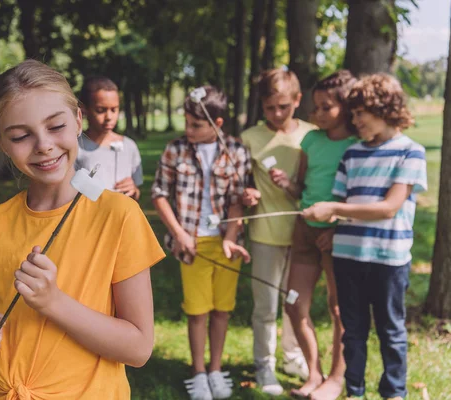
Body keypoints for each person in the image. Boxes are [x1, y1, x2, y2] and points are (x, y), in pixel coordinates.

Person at [0, 60, 165, 399]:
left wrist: (53, 302)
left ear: (78, 119)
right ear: (1, 143)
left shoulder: (119, 215)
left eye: (55, 126)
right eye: (21, 136)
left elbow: (138, 348)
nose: (43, 145)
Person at [303, 74, 427, 400]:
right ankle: (354, 392)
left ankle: (394, 393)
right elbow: (343, 205)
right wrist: (329, 219)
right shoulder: (352, 155)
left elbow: (389, 208)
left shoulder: (410, 153)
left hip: (388, 259)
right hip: (347, 256)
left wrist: (332, 207)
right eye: (353, 113)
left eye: (361, 113)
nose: (354, 120)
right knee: (353, 332)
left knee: (391, 331)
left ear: (385, 109)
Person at [152, 85, 251, 400]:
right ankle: (197, 371)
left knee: (222, 309)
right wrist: (180, 234)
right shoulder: (175, 150)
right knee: (197, 311)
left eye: (197, 125)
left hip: (226, 244)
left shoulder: (236, 151)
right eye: (187, 123)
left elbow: (238, 199)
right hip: (191, 243)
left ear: (217, 123)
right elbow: (159, 194)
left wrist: (231, 238)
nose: (189, 130)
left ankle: (215, 369)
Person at [268, 70, 358, 399]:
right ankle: (314, 372)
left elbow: (356, 198)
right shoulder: (311, 140)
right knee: (294, 304)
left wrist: (336, 227)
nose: (315, 114)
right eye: (315, 107)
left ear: (346, 109)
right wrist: (286, 184)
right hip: (304, 231)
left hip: (337, 236)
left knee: (339, 309)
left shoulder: (356, 146)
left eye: (325, 108)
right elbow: (303, 187)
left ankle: (336, 377)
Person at [239, 68, 314, 395]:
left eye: (284, 106)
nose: (277, 114)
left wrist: (294, 185)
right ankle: (264, 364)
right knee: (266, 305)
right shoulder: (250, 137)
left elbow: (315, 184)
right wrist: (249, 193)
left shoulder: (311, 136)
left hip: (302, 236)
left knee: (295, 304)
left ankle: (292, 356)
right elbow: (242, 183)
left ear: (297, 100)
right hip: (266, 234)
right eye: (270, 108)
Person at [76, 76, 143, 200]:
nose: (109, 117)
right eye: (101, 110)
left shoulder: (129, 146)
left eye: (114, 110)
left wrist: (134, 190)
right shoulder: (75, 147)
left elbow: (137, 193)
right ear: (84, 110)